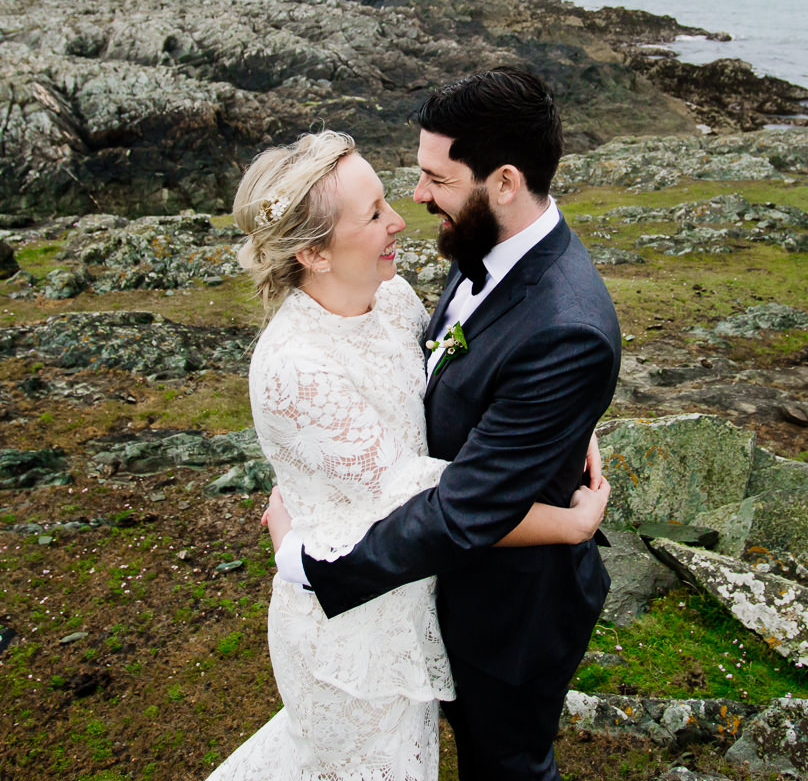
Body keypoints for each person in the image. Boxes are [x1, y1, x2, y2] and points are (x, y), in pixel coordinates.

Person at [205, 129, 608, 781]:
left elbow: (456, 384)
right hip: (352, 636)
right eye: (372, 215)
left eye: (386, 200)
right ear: (314, 253)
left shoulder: (392, 299)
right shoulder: (294, 368)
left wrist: (556, 418)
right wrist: (571, 523)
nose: (399, 220)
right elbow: (433, 495)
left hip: (412, 597)